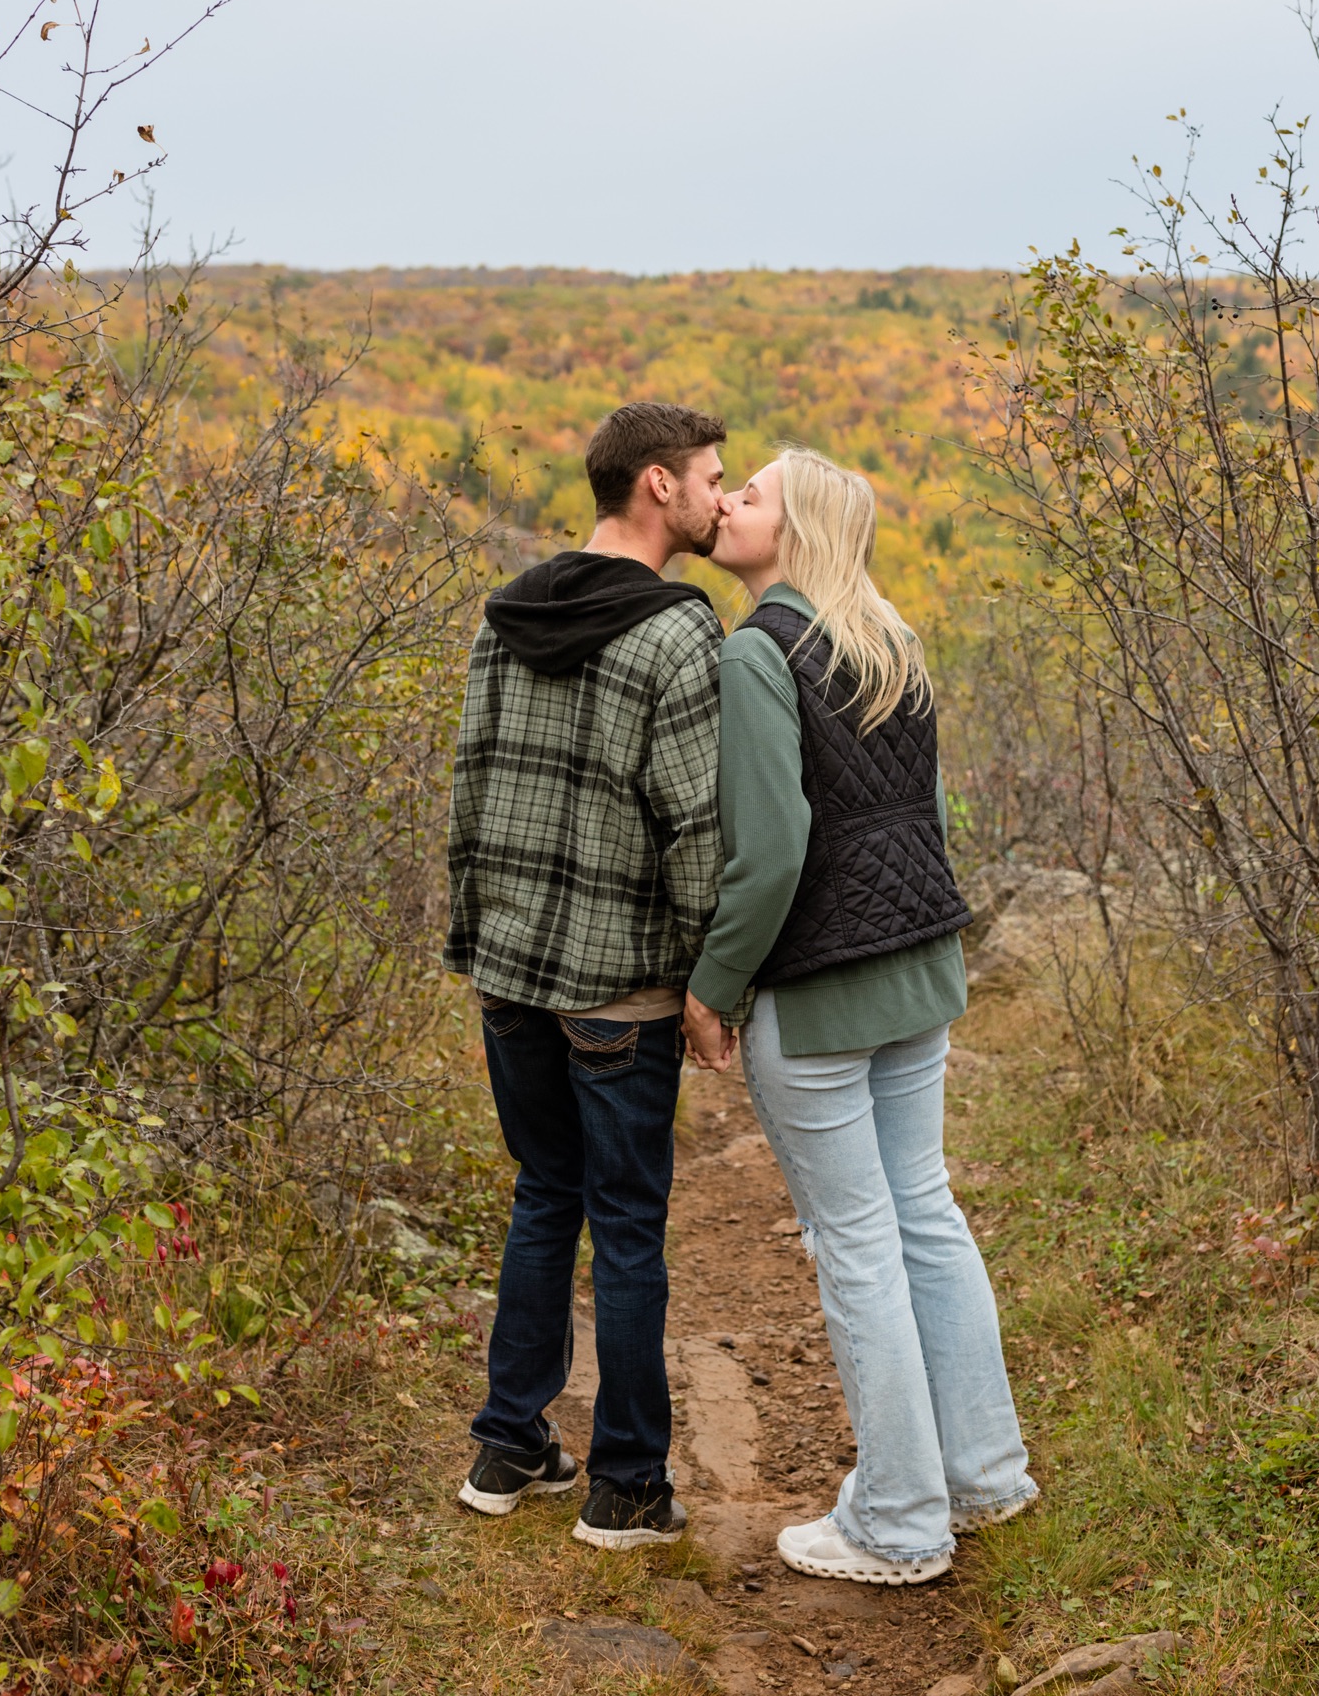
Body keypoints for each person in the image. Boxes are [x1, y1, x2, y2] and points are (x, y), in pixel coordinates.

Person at [681, 447, 1037, 1586]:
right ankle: (983, 1472)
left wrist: (715, 982)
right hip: (919, 972)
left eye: (751, 494)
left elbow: (770, 845)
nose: (727, 502)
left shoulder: (755, 653)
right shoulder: (892, 637)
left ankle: (897, 1519)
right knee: (923, 1214)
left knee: (858, 1249)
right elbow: (927, 817)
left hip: (824, 990)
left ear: (793, 532)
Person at [444, 400, 728, 1550]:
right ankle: (625, 1485)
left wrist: (480, 942)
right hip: (620, 991)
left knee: (541, 1196)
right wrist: (714, 981)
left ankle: (509, 1444)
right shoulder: (676, 632)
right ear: (656, 485)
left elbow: (470, 792)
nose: (720, 493)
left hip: (510, 972)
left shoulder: (505, 613)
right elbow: (698, 828)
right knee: (624, 1224)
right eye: (711, 475)